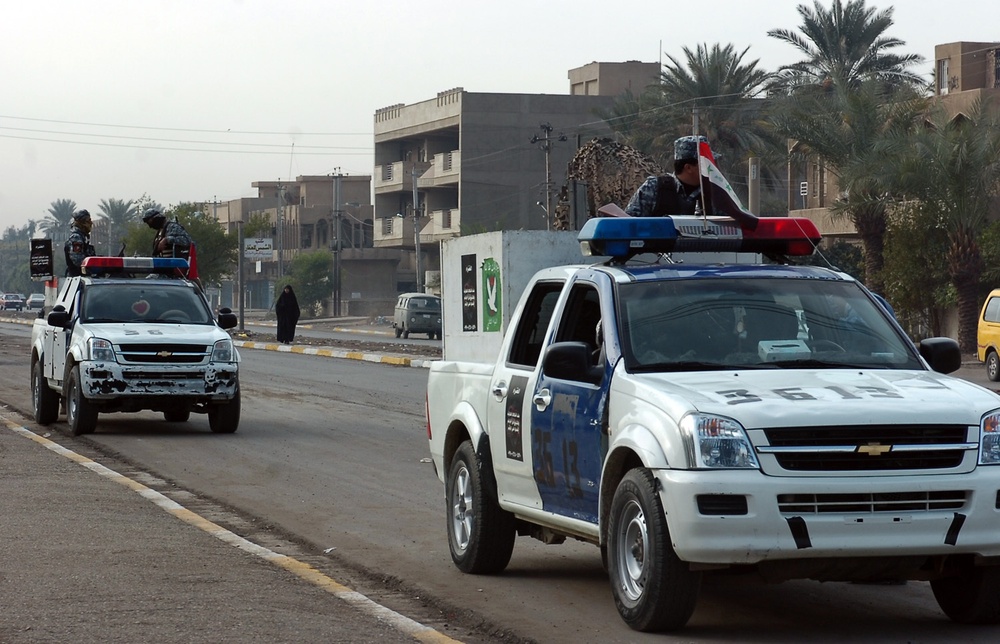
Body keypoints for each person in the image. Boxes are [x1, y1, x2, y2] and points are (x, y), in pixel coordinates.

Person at [624, 136, 707, 218]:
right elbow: (630, 224)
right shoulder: (654, 188)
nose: (711, 167)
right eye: (706, 162)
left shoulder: (715, 191)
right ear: (688, 168)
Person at [64, 209, 96, 276]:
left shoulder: (83, 237)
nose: (91, 223)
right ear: (82, 223)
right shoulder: (76, 238)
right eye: (88, 221)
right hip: (78, 279)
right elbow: (78, 261)